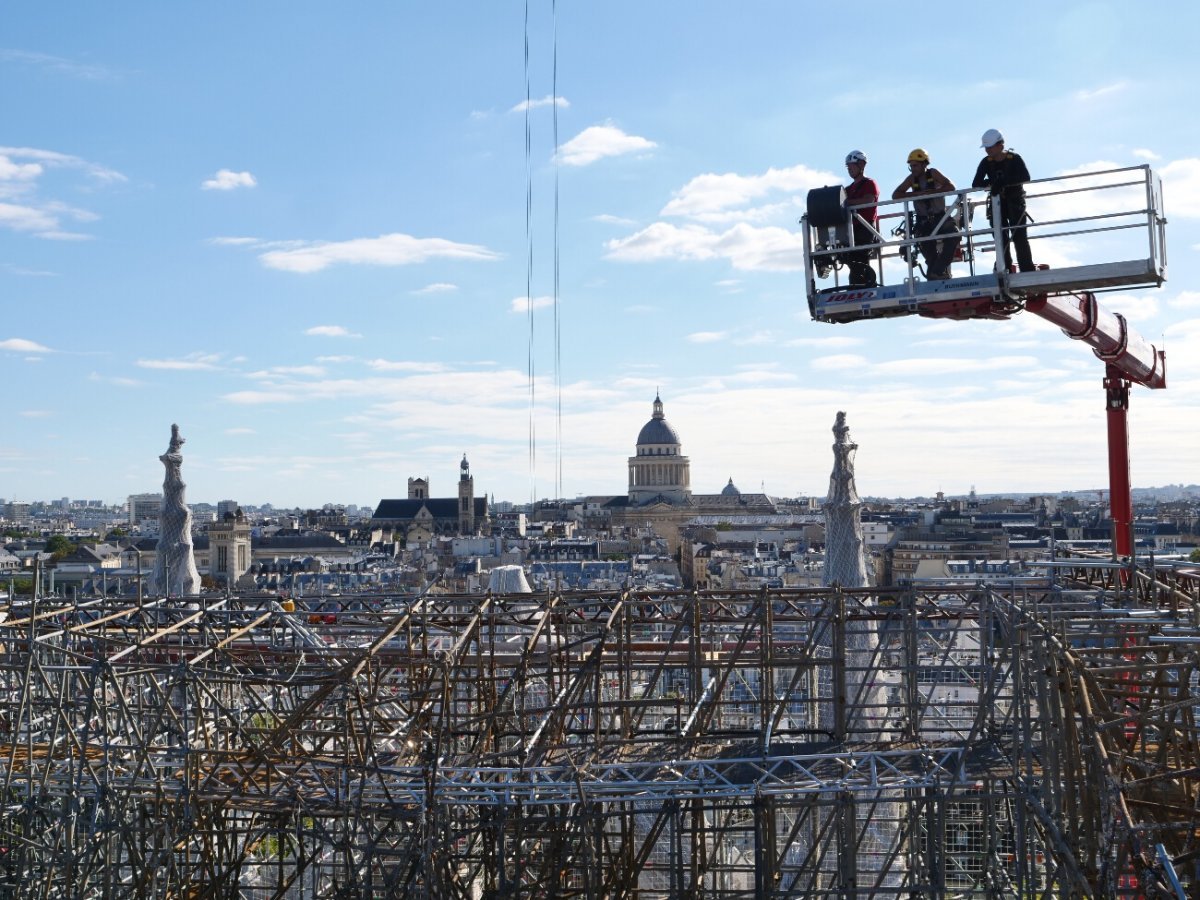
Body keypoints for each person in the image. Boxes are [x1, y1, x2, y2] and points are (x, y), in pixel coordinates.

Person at [972, 128, 1036, 273]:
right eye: (986, 148)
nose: (988, 150)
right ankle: (1004, 266)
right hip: (997, 204)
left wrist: (1003, 182)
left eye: (990, 147)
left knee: (1019, 236)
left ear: (1000, 145)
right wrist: (992, 183)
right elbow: (976, 183)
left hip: (1015, 203)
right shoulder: (986, 162)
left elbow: (1025, 177)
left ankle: (1026, 268)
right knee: (1000, 237)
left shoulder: (1014, 159)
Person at [891, 148, 960, 280]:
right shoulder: (911, 179)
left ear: (924, 164)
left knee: (954, 236)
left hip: (940, 217)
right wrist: (916, 194)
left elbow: (951, 186)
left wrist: (931, 192)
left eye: (915, 165)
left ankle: (937, 271)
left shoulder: (933, 173)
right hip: (923, 221)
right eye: (911, 166)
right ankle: (935, 274)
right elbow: (896, 195)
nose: (913, 169)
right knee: (928, 250)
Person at [841, 150, 880, 287]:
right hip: (851, 230)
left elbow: (868, 200)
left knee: (860, 259)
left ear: (861, 165)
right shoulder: (847, 189)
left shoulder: (869, 183)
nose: (849, 169)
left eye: (852, 165)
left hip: (865, 228)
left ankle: (862, 286)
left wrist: (847, 203)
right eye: (848, 167)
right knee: (851, 260)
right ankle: (863, 285)